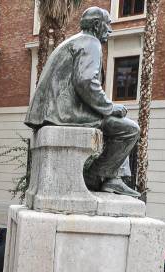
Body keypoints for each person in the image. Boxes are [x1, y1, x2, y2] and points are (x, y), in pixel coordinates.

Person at [24, 7, 140, 197]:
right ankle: (97, 176)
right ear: (96, 25)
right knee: (129, 129)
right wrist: (109, 108)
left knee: (119, 125)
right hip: (64, 113)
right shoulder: (90, 43)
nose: (110, 30)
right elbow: (85, 81)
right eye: (108, 24)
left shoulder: (75, 41)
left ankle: (113, 180)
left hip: (57, 110)